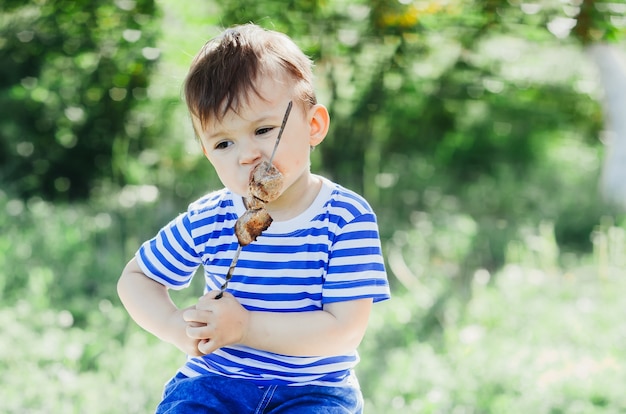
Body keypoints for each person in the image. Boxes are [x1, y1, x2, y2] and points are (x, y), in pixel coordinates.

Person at [117, 23, 390, 413]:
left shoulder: (345, 218)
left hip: (312, 391)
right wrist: (176, 327)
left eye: (263, 130)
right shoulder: (211, 217)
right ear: (208, 154)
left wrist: (244, 326)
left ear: (313, 126)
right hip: (215, 384)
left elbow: (343, 331)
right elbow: (137, 278)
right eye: (224, 143)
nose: (246, 156)